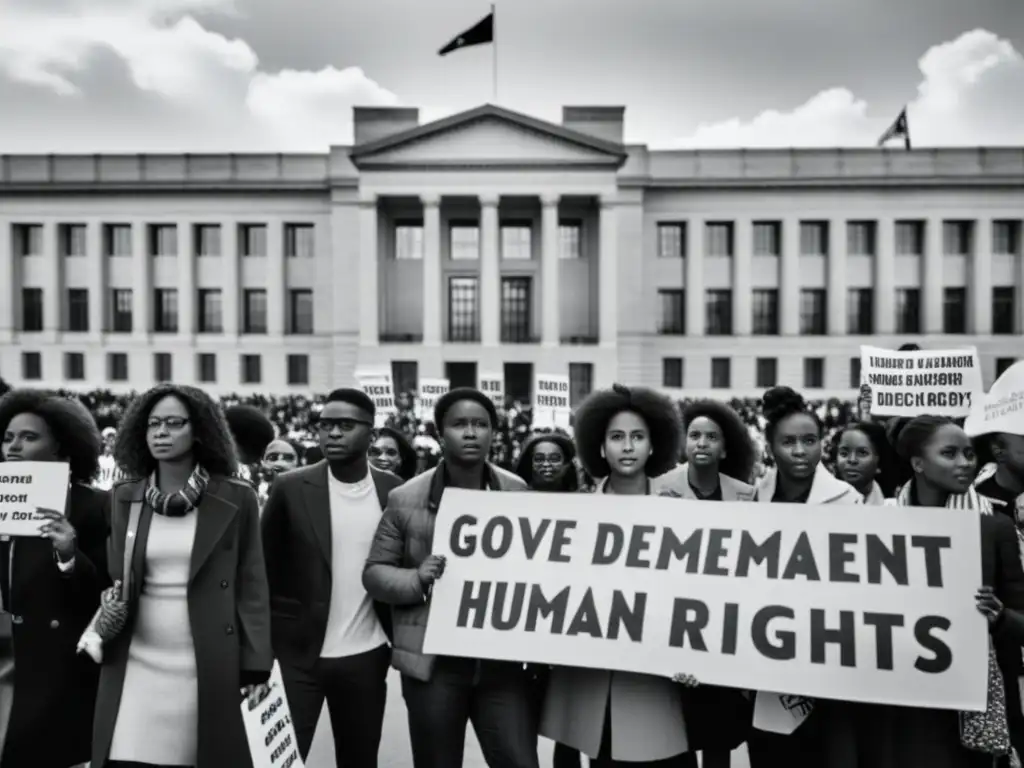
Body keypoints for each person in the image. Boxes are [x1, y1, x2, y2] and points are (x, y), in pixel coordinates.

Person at [823, 415, 1024, 767]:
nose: (965, 463)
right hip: (899, 710)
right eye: (949, 454)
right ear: (918, 463)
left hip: (968, 714)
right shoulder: (880, 525)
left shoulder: (994, 527)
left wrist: (999, 617)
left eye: (968, 454)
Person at [91, 384, 272, 768]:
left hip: (205, 661)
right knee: (124, 757)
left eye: (174, 423)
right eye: (153, 423)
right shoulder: (124, 497)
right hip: (136, 660)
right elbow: (117, 574)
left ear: (200, 430)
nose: (161, 432)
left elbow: (251, 584)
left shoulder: (237, 496)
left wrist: (256, 663)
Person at [363, 387, 539, 768]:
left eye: (481, 424)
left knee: (519, 759)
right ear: (441, 434)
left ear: (494, 432)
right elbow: (375, 574)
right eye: (460, 424)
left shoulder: (517, 492)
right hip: (434, 666)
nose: (471, 433)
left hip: (501, 663)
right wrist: (417, 578)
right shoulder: (406, 497)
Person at [540, 384, 701, 768]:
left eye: (637, 437)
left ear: (652, 446)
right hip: (599, 688)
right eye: (616, 437)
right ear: (600, 447)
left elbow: (702, 593)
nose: (627, 446)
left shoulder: (686, 512)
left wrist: (699, 654)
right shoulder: (574, 513)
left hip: (663, 683)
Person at [261, 389, 403, 767]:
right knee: (281, 761)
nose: (333, 434)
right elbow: (261, 570)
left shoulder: (395, 492)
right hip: (296, 655)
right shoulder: (290, 487)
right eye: (325, 426)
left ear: (371, 435)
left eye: (345, 426)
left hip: (366, 657)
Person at [748, 386, 861, 768]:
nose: (800, 451)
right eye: (788, 442)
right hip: (768, 656)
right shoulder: (751, 500)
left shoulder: (849, 500)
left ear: (822, 444)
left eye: (809, 441)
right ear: (770, 447)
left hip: (831, 656)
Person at [0, 389, 110, 768]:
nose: (14, 446)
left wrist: (68, 553)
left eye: (30, 437)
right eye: (9, 437)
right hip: (8, 658)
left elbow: (108, 594)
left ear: (63, 450)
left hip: (60, 668)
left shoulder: (93, 505)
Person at [514, 431, 580, 768]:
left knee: (568, 723)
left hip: (571, 623)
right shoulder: (511, 501)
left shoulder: (588, 503)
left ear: (568, 464)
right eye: (539, 458)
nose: (547, 464)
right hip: (526, 623)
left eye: (555, 458)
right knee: (523, 716)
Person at [658, 398, 757, 500]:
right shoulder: (660, 490)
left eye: (712, 437)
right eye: (695, 436)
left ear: (724, 450)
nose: (702, 444)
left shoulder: (746, 495)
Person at [829, 421, 896, 502]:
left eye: (862, 453)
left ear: (879, 463)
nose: (852, 460)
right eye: (844, 453)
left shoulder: (893, 504)